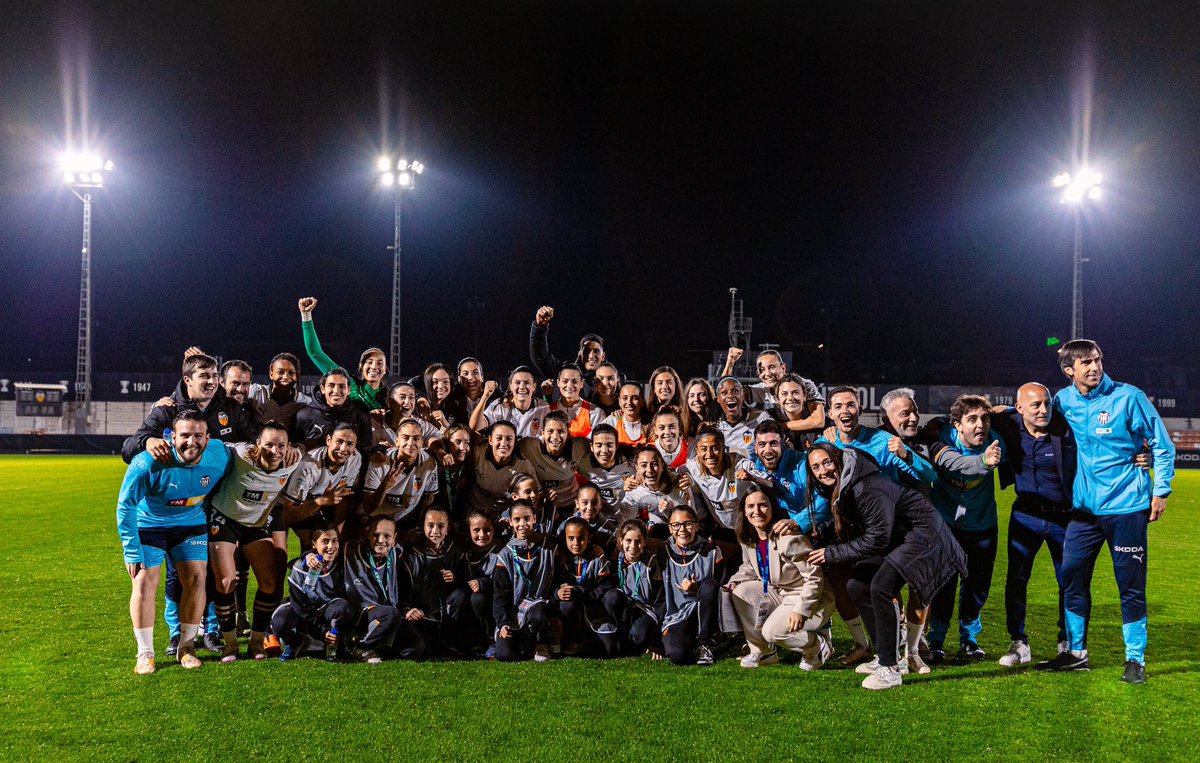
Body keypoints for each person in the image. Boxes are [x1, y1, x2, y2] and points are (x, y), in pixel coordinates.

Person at [1036, 340, 1175, 684]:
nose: (1094, 367)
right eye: (1085, 362)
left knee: (1130, 585)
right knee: (1071, 577)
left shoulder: (1129, 397)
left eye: (1097, 360)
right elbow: (1033, 414)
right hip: (1084, 512)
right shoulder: (1063, 401)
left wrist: (1160, 491)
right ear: (1069, 371)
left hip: (1127, 507)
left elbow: (1161, 443)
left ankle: (1135, 660)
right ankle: (1076, 653)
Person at [804, 443, 968, 690]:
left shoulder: (865, 487)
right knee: (858, 585)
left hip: (925, 535)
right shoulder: (848, 485)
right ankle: (884, 655)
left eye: (826, 462)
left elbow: (877, 537)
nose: (822, 471)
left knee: (881, 587)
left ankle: (891, 668)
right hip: (901, 536)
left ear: (838, 459)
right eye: (815, 467)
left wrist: (831, 553)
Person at [117, 411, 232, 674]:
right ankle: (145, 653)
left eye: (199, 435)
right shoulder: (147, 463)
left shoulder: (219, 455)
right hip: (150, 525)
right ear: (171, 437)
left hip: (190, 523)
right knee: (145, 580)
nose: (192, 442)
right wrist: (131, 550)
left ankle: (187, 647)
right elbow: (125, 506)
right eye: (185, 435)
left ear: (208, 438)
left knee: (196, 578)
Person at [987, 382, 1076, 667]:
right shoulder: (1010, 425)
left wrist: (1141, 455)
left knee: (1068, 582)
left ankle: (1068, 643)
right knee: (1016, 580)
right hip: (1024, 516)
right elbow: (973, 413)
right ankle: (1019, 644)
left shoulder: (1066, 430)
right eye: (1035, 404)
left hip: (1063, 518)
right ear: (1021, 407)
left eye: (1047, 404)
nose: (1043, 410)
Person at [208, 422, 301, 662]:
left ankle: (256, 641)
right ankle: (230, 643)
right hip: (224, 518)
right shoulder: (241, 453)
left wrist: (298, 448)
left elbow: (305, 450)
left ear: (288, 447)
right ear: (257, 444)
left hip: (256, 524)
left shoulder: (293, 459)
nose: (274, 451)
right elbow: (214, 445)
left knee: (271, 583)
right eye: (268, 444)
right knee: (227, 580)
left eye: (281, 445)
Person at [926, 395, 1004, 662]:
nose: (980, 425)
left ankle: (969, 638)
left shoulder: (996, 441)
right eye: (972, 419)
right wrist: (984, 462)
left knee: (977, 586)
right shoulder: (941, 440)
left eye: (984, 418)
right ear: (957, 425)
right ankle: (936, 639)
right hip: (947, 526)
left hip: (983, 525)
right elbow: (949, 462)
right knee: (943, 584)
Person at [727, 489, 833, 669]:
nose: (757, 511)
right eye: (750, 506)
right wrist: (734, 580)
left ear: (772, 508)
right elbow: (751, 567)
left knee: (771, 632)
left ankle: (816, 646)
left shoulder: (788, 537)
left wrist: (801, 610)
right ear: (744, 512)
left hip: (806, 596)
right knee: (740, 592)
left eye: (762, 505)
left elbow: (814, 577)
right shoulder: (749, 538)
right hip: (777, 591)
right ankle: (763, 652)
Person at [122, 352, 257, 464]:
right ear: (188, 380)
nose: (211, 382)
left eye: (214, 376)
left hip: (221, 490)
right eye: (204, 376)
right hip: (184, 489)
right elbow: (128, 451)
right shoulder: (168, 409)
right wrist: (147, 441)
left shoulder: (231, 407)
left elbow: (254, 439)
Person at [343, 515, 423, 663]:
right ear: (368, 534)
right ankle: (359, 647)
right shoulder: (351, 550)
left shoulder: (397, 551)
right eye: (376, 535)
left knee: (416, 647)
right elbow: (327, 548)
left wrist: (406, 609)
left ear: (394, 538)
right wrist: (307, 555)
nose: (380, 540)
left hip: (390, 612)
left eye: (387, 536)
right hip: (363, 613)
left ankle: (377, 649)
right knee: (391, 613)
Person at [492, 499, 563, 662]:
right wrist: (503, 623)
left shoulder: (549, 547)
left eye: (526, 518)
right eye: (517, 520)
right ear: (510, 522)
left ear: (534, 519)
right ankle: (524, 641)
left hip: (540, 605)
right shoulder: (505, 554)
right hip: (514, 612)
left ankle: (542, 642)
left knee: (538, 613)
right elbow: (499, 594)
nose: (522, 524)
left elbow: (558, 578)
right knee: (505, 655)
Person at [272, 523, 352, 662]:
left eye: (335, 541)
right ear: (314, 544)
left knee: (343, 608)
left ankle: (336, 643)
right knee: (281, 620)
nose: (331, 546)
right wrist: (322, 631)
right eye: (325, 542)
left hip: (327, 613)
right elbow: (300, 607)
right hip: (305, 614)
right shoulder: (299, 568)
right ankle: (294, 642)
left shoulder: (343, 564)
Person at [400, 506, 473, 656]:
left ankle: (449, 638)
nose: (435, 531)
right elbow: (400, 589)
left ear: (448, 529)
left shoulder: (455, 550)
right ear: (422, 527)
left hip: (445, 613)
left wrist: (455, 577)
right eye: (430, 525)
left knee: (459, 595)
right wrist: (406, 608)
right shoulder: (411, 556)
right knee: (421, 649)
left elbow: (467, 581)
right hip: (419, 614)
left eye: (441, 526)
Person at [278, 423, 362, 554]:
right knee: (316, 545)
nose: (343, 448)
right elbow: (287, 515)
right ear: (328, 440)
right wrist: (320, 502)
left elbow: (344, 498)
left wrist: (337, 533)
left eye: (350, 444)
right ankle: (300, 571)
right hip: (283, 504)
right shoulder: (309, 465)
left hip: (316, 503)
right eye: (339, 442)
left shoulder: (355, 459)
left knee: (330, 544)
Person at [654, 506, 722, 666]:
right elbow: (660, 596)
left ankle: (704, 643)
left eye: (688, 524)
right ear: (670, 528)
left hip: (704, 615)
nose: (682, 529)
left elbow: (719, 592)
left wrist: (697, 590)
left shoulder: (712, 551)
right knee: (677, 656)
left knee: (710, 585)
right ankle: (688, 639)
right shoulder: (662, 551)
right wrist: (655, 639)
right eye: (676, 525)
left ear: (697, 526)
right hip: (677, 616)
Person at [298, 297, 388, 413]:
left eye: (379, 363)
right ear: (361, 366)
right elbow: (315, 353)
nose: (374, 366)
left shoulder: (390, 398)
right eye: (369, 362)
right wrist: (306, 315)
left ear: (385, 370)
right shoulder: (347, 381)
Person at [362, 418, 440, 537]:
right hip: (375, 519)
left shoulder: (429, 463)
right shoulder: (379, 462)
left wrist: (419, 527)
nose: (410, 443)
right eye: (405, 437)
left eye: (416, 438)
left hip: (405, 520)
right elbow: (368, 508)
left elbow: (428, 499)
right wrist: (385, 485)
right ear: (396, 441)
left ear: (422, 442)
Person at [555, 518, 617, 657]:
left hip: (594, 608)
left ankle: (591, 639)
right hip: (571, 607)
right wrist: (557, 593)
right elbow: (554, 584)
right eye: (571, 538)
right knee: (566, 605)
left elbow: (604, 587)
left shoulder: (598, 558)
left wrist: (581, 592)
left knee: (609, 650)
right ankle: (573, 638)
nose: (575, 543)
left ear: (589, 538)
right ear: (564, 538)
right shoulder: (561, 558)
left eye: (581, 538)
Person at [603, 519, 664, 658]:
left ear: (644, 543)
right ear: (621, 541)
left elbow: (661, 600)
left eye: (638, 541)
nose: (633, 546)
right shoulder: (614, 560)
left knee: (638, 637)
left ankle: (638, 640)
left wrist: (657, 639)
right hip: (625, 607)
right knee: (612, 597)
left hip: (646, 609)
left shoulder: (651, 563)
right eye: (628, 541)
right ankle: (619, 635)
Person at [293, 368, 375, 456]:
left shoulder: (360, 416)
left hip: (349, 468)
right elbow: (295, 448)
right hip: (312, 468)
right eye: (331, 386)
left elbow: (365, 451)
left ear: (349, 390)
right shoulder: (305, 415)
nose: (336, 391)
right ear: (322, 389)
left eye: (342, 386)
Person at [465, 421, 538, 516]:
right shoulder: (478, 452)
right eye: (499, 438)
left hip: (507, 509)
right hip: (477, 505)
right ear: (490, 440)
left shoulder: (524, 464)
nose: (503, 443)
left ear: (515, 441)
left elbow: (537, 492)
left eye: (509, 439)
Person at [529, 304, 607, 391]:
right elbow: (541, 358)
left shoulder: (615, 381)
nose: (591, 355)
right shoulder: (564, 373)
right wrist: (540, 327)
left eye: (596, 351)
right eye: (587, 351)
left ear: (603, 356)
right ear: (579, 354)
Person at [518, 411, 580, 514]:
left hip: (572, 505)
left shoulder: (578, 447)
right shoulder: (529, 445)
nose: (555, 436)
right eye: (550, 431)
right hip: (542, 505)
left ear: (568, 433)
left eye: (561, 431)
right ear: (542, 433)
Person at [620, 446, 693, 532]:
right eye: (644, 465)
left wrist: (669, 511)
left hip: (685, 527)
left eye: (654, 464)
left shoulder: (679, 484)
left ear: (662, 466)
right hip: (658, 526)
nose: (649, 470)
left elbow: (689, 521)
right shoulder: (634, 489)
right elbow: (627, 521)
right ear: (637, 468)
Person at [573, 423, 635, 517]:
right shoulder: (583, 465)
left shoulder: (632, 462)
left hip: (627, 518)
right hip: (598, 518)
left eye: (609, 445)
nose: (604, 451)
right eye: (599, 445)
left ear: (616, 446)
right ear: (591, 447)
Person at [471, 367, 549, 437]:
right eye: (517, 383)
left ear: (534, 387)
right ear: (511, 386)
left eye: (527, 383)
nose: (522, 387)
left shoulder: (544, 408)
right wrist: (485, 397)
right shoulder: (500, 406)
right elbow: (475, 426)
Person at [463, 509, 501, 654]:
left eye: (487, 530)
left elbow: (505, 583)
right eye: (476, 530)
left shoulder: (501, 550)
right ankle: (470, 639)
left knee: (478, 599)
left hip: (492, 598)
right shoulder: (464, 549)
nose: (482, 535)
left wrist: (483, 584)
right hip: (468, 596)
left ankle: (492, 639)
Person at [713, 377, 771, 459]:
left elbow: (783, 444)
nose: (730, 396)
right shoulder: (715, 426)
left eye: (736, 391)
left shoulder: (762, 419)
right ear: (718, 399)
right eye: (724, 393)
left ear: (743, 395)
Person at [538, 363, 602, 438]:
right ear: (558, 383)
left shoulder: (595, 413)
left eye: (574, 382)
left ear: (581, 384)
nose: (569, 386)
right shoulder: (547, 411)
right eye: (565, 381)